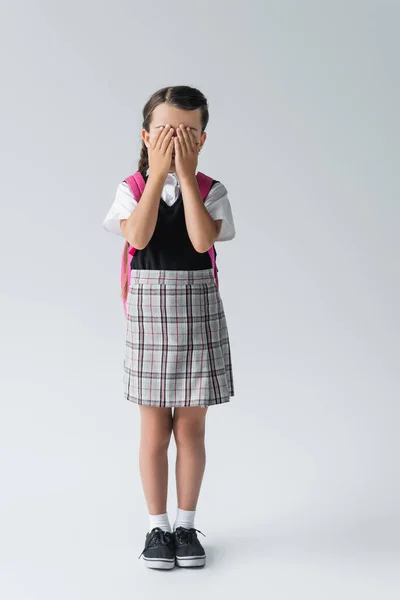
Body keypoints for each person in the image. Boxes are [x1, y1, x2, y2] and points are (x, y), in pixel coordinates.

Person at [102, 85, 236, 569]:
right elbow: (137, 235)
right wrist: (159, 174)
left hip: (197, 312)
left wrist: (183, 172)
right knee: (155, 428)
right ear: (145, 135)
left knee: (193, 428)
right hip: (150, 316)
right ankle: (157, 528)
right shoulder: (131, 190)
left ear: (202, 139)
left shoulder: (211, 190)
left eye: (187, 132)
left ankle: (185, 524)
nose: (176, 138)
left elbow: (203, 242)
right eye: (165, 131)